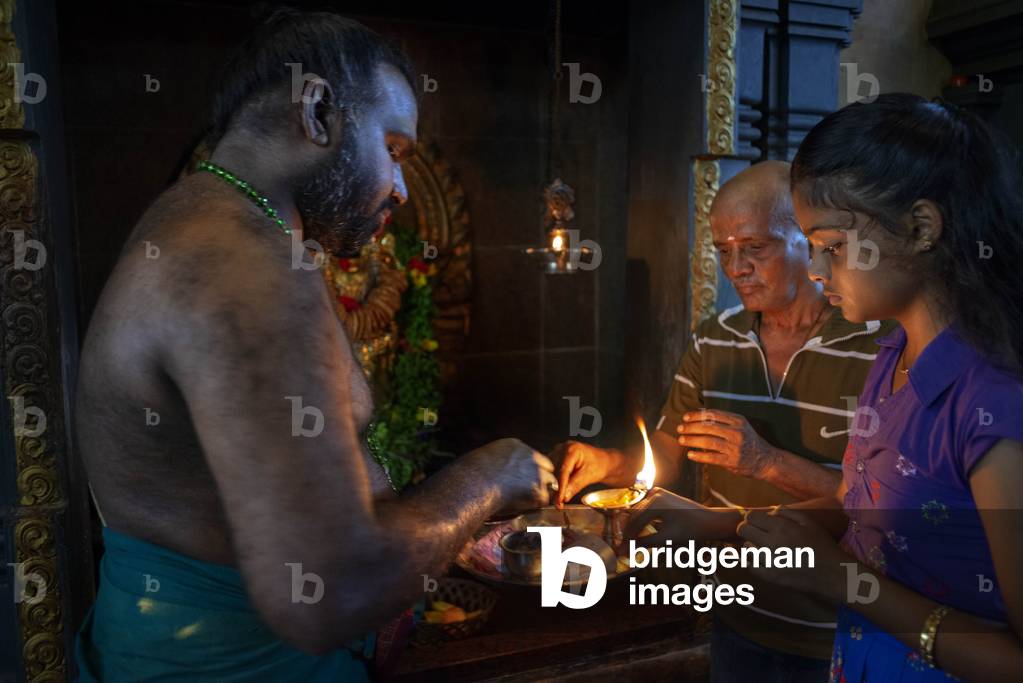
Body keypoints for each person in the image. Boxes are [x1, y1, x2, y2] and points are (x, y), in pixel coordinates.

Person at [73, 11, 555, 682]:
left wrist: (420, 519)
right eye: (394, 150)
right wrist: (490, 475)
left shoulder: (222, 222)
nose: (401, 189)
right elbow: (329, 594)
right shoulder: (242, 262)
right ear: (318, 109)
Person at [632, 93, 1023, 682]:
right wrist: (718, 524)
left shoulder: (993, 401)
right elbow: (866, 509)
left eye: (832, 248)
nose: (816, 271)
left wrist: (841, 581)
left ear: (921, 227)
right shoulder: (893, 357)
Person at [555, 161, 893, 681]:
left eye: (754, 248)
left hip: (836, 629)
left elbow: (878, 507)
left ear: (809, 242)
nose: (736, 267)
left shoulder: (877, 348)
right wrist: (606, 462)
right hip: (733, 612)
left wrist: (766, 462)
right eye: (724, 251)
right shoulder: (716, 337)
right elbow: (666, 454)